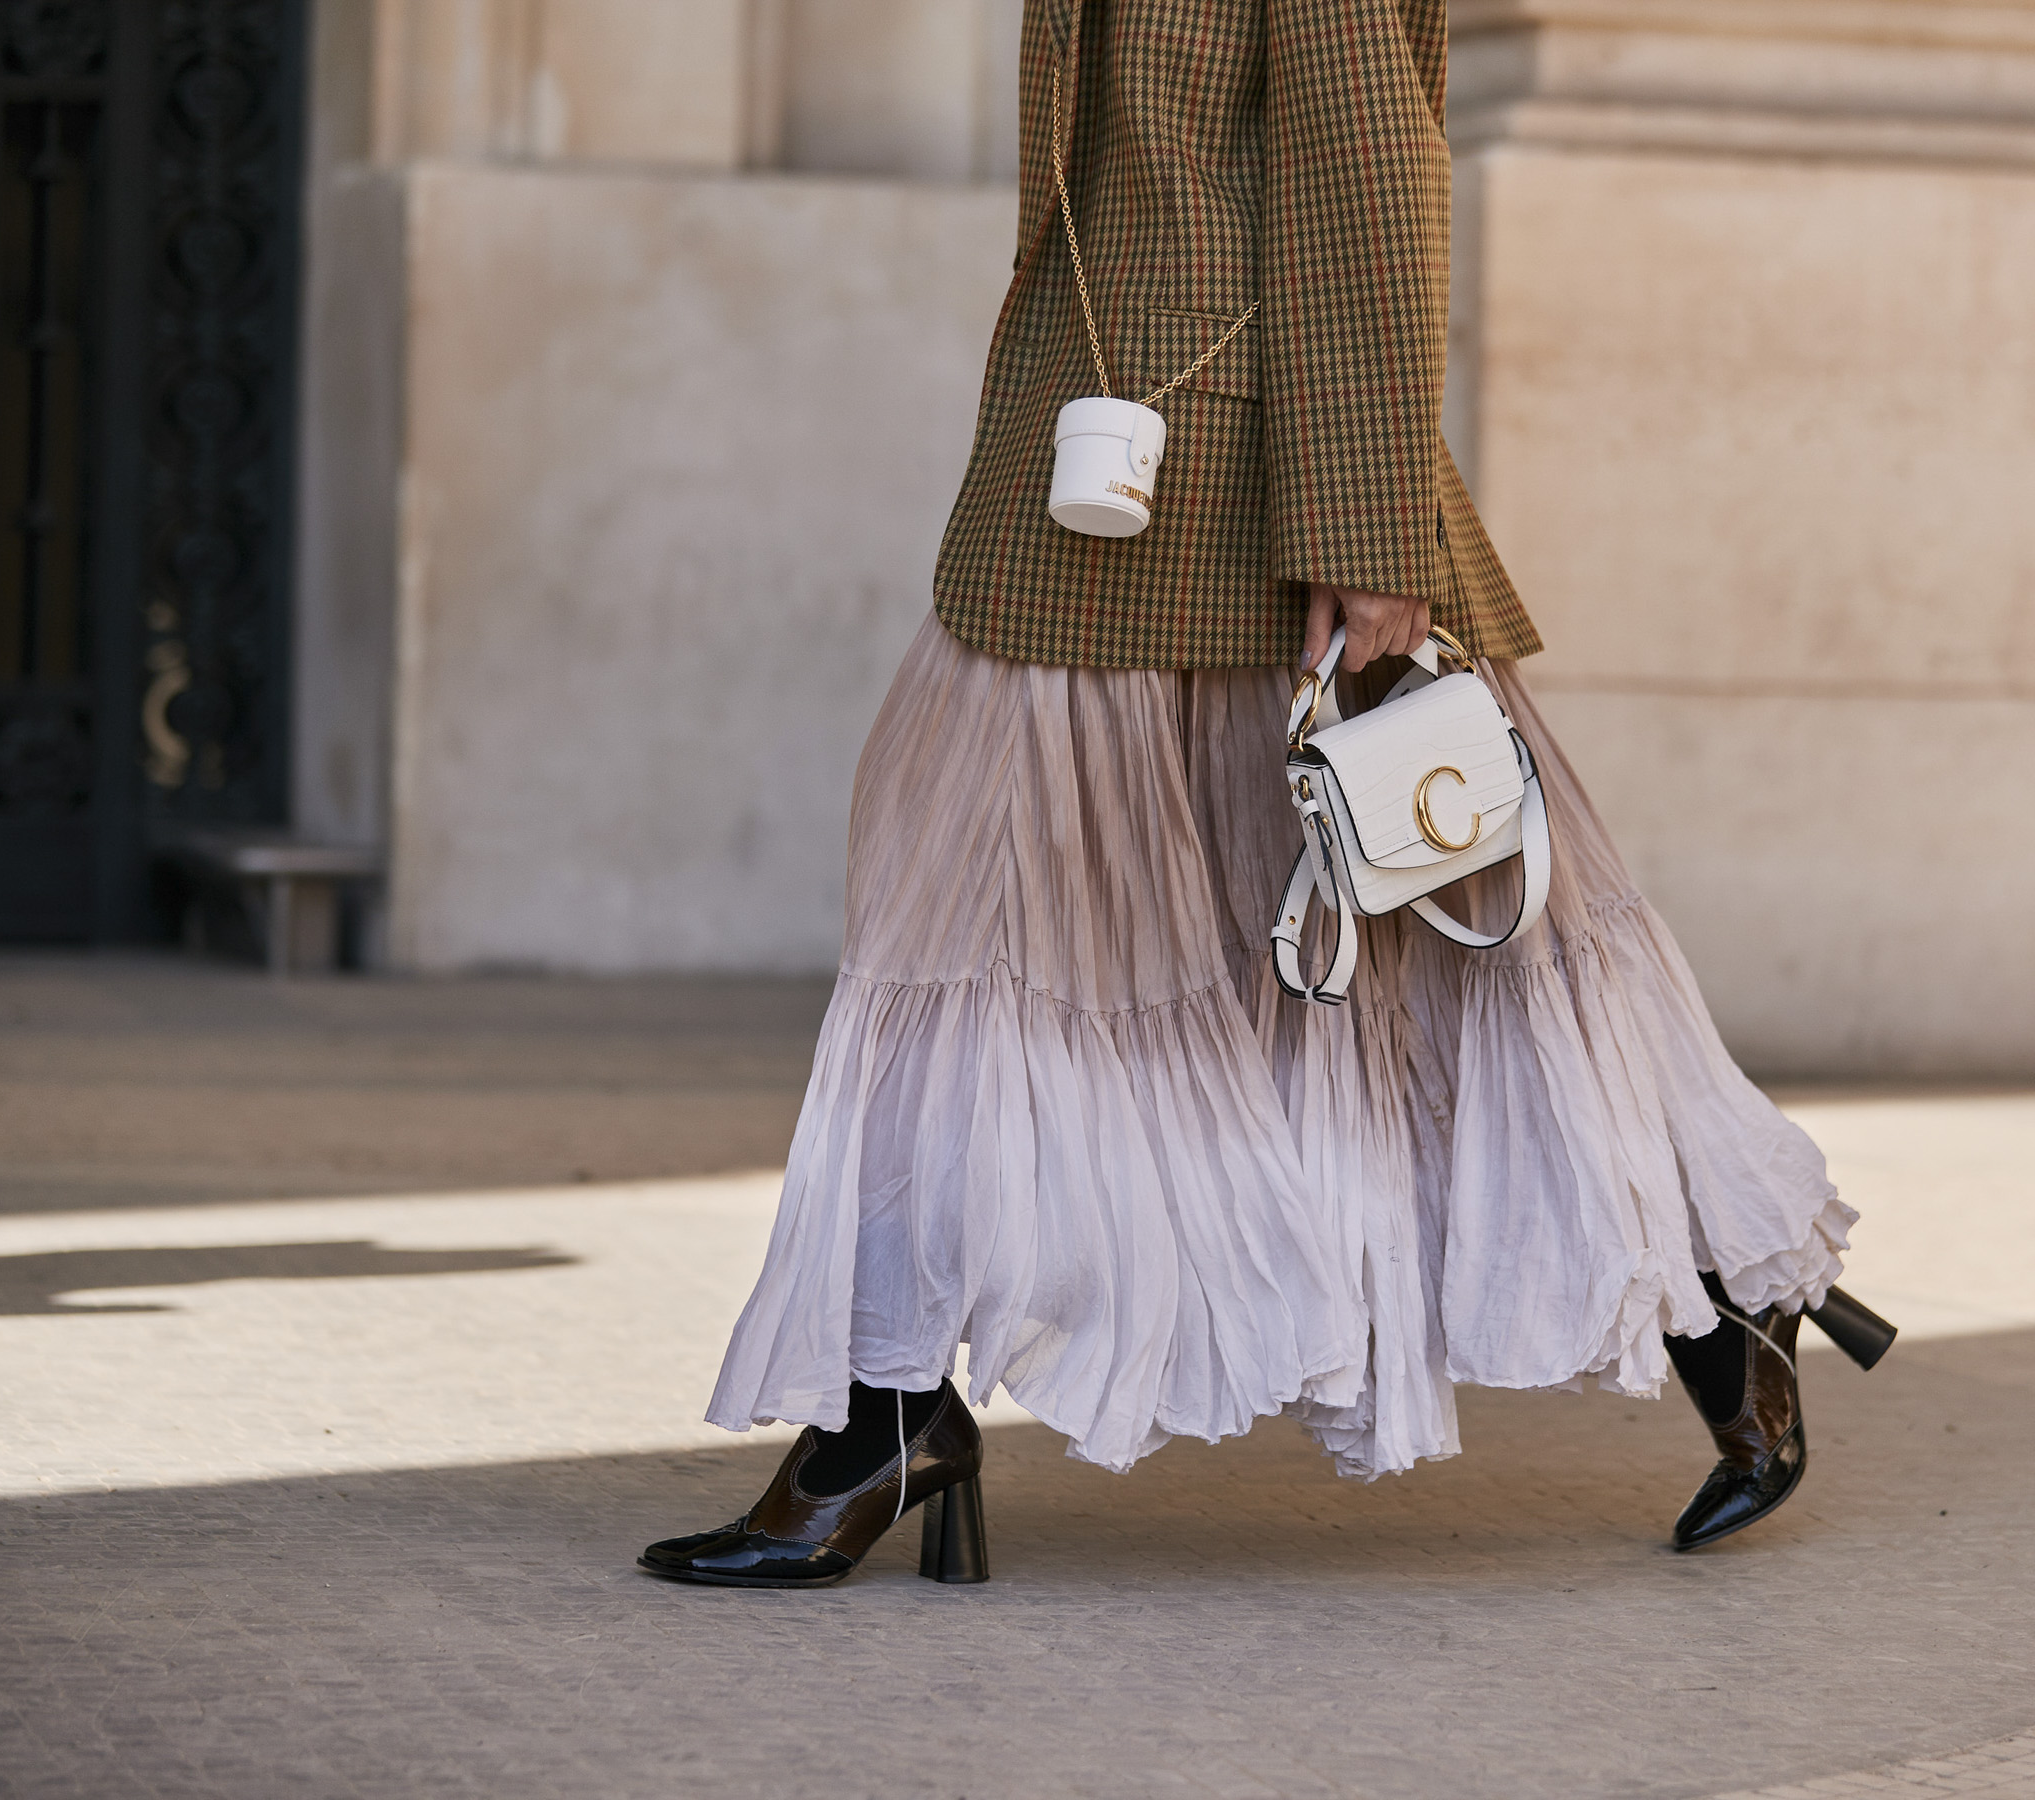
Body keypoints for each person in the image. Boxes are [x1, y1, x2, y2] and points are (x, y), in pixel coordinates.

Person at [638, 0, 1874, 1590]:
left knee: (1438, 926)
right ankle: (884, 1406)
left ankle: (1721, 1286)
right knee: (999, 920)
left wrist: (1370, 534)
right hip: (1102, 451)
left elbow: (1366, 160)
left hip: (1253, 477)